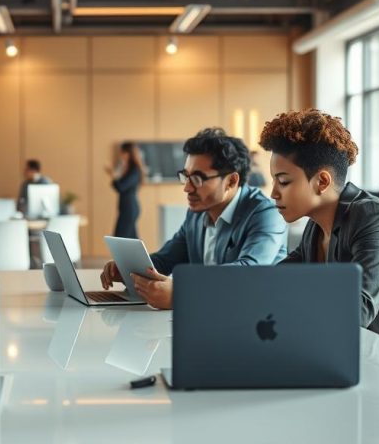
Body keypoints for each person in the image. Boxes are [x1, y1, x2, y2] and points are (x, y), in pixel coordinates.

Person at [259, 109, 379, 361]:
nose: (273, 192)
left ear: (322, 181)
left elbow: (358, 311)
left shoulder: (372, 217)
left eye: (283, 181)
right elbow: (275, 280)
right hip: (361, 358)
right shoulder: (316, 227)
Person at [99, 127, 287, 309]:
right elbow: (166, 260)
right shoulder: (197, 212)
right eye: (186, 176)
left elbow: (248, 272)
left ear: (231, 181)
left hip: (256, 318)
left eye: (197, 179)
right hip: (207, 318)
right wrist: (128, 270)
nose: (187, 188)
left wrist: (183, 293)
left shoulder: (266, 213)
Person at [105, 142, 144, 239]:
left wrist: (114, 175)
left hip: (129, 209)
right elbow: (117, 186)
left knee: (120, 238)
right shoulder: (127, 169)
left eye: (122, 153)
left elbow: (120, 187)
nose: (121, 156)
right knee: (131, 239)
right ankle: (138, 254)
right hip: (126, 208)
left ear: (128, 154)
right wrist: (115, 176)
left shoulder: (134, 170)